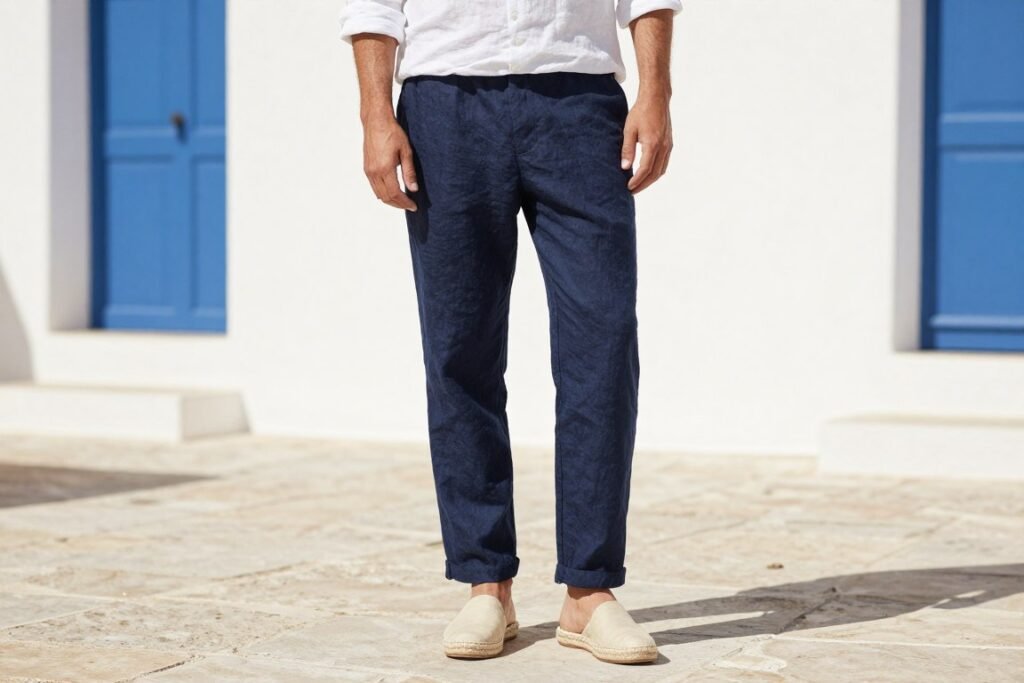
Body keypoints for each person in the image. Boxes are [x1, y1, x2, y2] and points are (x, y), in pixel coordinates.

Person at [339, 0, 680, 664]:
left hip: (579, 100)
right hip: (446, 102)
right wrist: (375, 115)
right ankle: (485, 581)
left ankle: (590, 591)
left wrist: (657, 91)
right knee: (460, 349)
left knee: (603, 344)